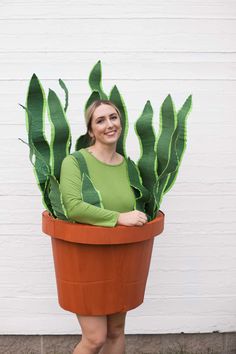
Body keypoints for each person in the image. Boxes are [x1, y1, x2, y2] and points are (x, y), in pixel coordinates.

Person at [60, 99, 148, 354]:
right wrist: (119, 218)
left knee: (116, 332)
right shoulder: (75, 162)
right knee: (95, 337)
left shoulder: (129, 166)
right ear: (90, 130)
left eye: (113, 117)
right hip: (86, 260)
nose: (109, 124)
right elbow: (73, 207)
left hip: (120, 258)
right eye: (100, 120)